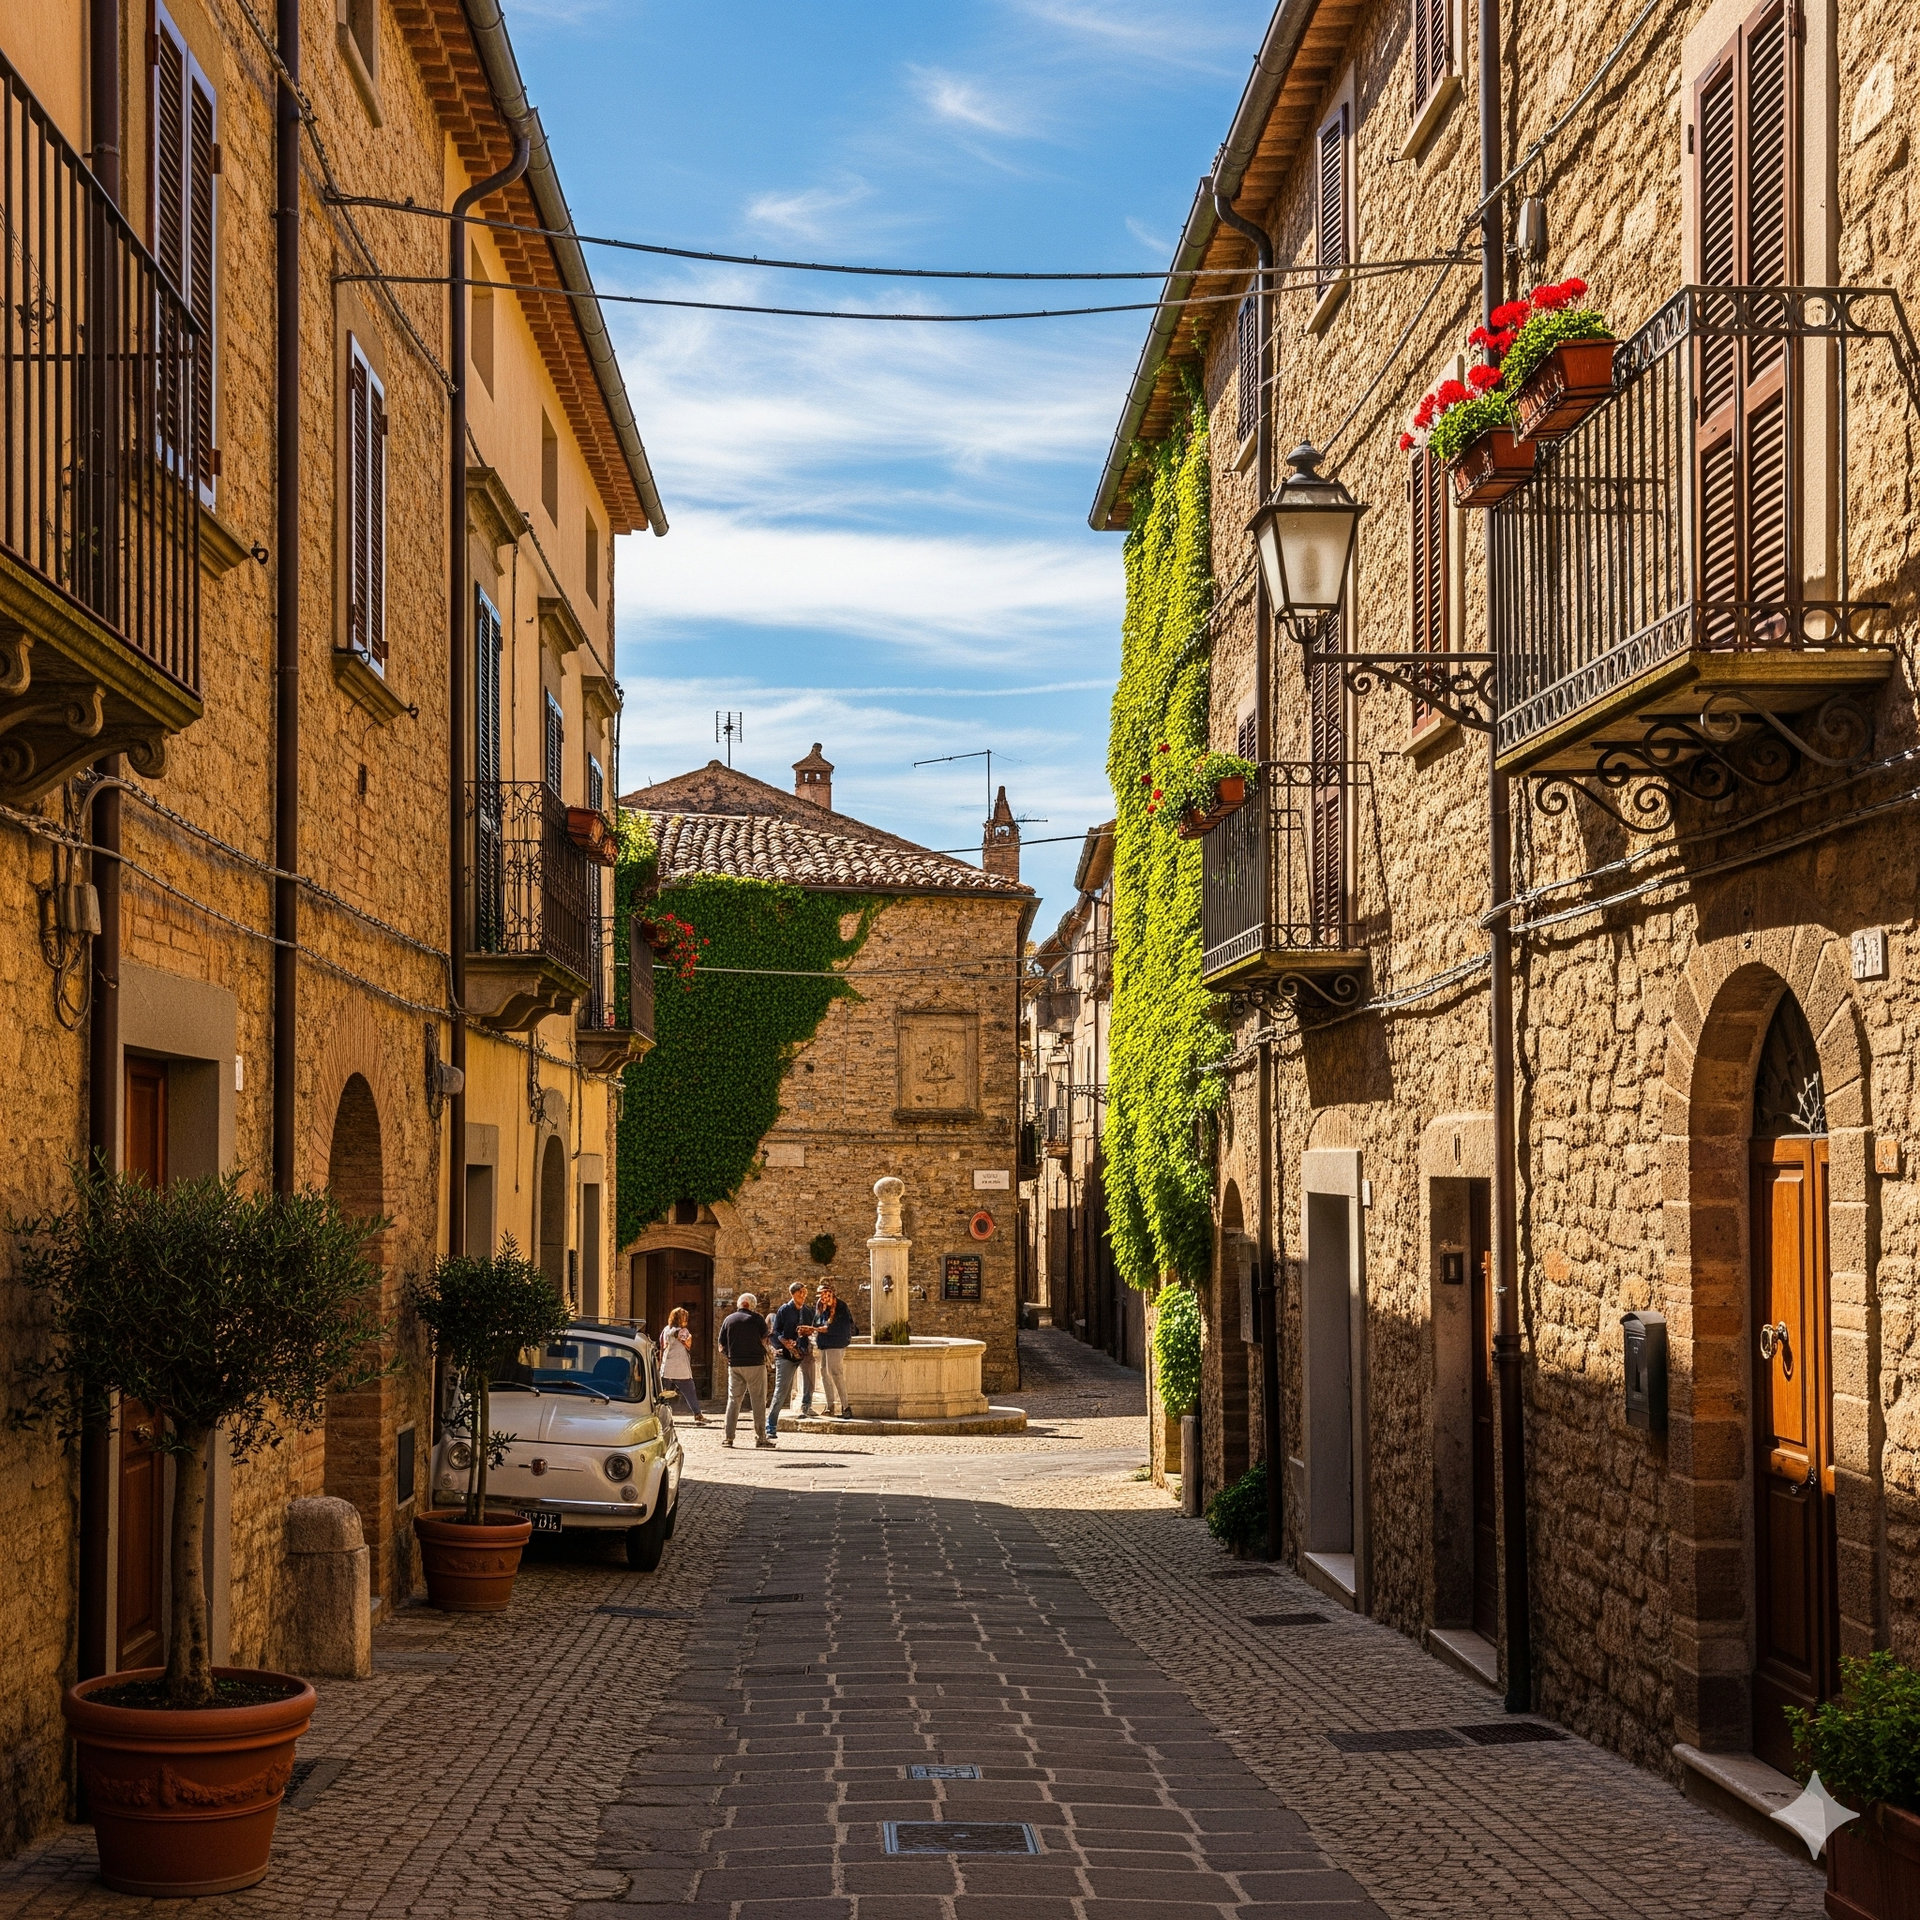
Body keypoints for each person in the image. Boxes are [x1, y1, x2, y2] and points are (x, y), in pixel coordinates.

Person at [717, 1293, 774, 1448]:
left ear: (740, 1304)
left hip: (735, 1365)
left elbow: (721, 1345)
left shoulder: (728, 1320)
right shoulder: (757, 1319)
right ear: (751, 1305)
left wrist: (729, 1357)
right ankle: (761, 1437)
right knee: (758, 1401)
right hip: (755, 1364)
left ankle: (728, 1438)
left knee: (733, 1400)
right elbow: (765, 1340)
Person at [765, 1280, 816, 1439]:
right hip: (786, 1355)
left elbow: (813, 1328)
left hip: (803, 1352)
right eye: (801, 1292)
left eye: (805, 1292)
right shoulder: (784, 1310)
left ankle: (806, 1406)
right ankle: (771, 1425)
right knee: (781, 1391)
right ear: (793, 1294)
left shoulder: (807, 1311)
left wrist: (809, 1332)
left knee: (810, 1380)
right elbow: (775, 1332)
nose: (804, 1295)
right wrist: (784, 1342)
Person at [812, 1281, 856, 1417]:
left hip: (836, 1343)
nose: (822, 1297)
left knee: (836, 1374)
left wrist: (819, 1329)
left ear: (830, 1293)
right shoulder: (820, 1305)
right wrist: (815, 1329)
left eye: (824, 1294)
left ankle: (846, 1407)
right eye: (820, 1295)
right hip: (824, 1343)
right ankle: (830, 1406)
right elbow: (816, 1323)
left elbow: (839, 1328)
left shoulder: (841, 1306)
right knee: (824, 1373)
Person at [657, 1307, 704, 1424]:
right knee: (690, 1391)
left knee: (664, 1395)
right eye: (684, 1317)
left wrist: (660, 1364)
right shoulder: (683, 1331)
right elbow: (688, 1344)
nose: (686, 1319)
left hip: (667, 1366)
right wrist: (690, 1337)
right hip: (680, 1368)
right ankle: (697, 1414)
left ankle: (660, 1417)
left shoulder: (665, 1330)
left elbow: (662, 1346)